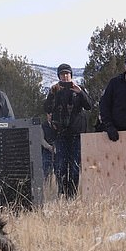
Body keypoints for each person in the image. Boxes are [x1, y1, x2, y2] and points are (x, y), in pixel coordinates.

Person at [44, 63, 93, 199]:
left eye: (67, 74)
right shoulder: (55, 91)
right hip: (60, 134)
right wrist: (52, 95)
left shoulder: (79, 89)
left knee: (75, 166)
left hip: (76, 134)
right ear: (59, 76)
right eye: (62, 74)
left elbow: (89, 105)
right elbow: (46, 108)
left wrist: (80, 92)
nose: (65, 77)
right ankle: (62, 193)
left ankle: (72, 195)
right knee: (60, 165)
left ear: (71, 75)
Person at [41, 113, 57, 181]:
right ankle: (46, 188)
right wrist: (49, 147)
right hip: (46, 151)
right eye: (49, 114)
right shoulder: (43, 125)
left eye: (52, 114)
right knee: (46, 171)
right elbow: (41, 139)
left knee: (57, 171)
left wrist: (56, 148)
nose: (51, 116)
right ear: (47, 115)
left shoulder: (57, 125)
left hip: (57, 151)